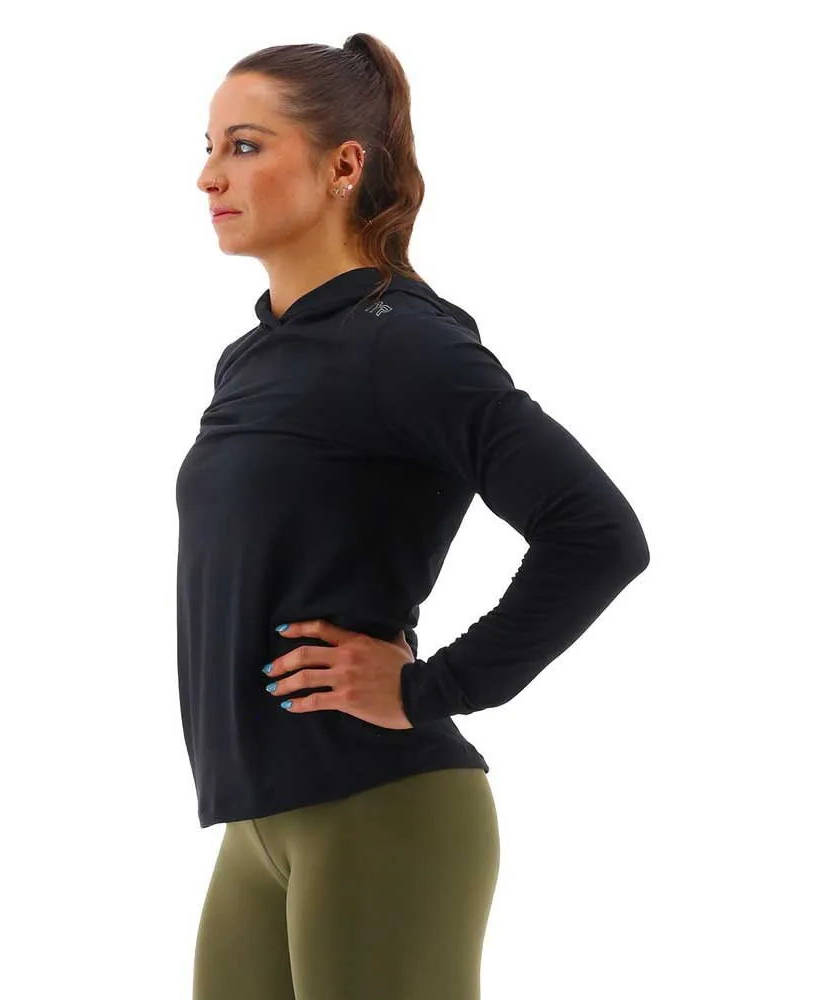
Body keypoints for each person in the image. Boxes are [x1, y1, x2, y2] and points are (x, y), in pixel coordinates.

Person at [180, 33, 650, 1000]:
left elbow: (597, 533)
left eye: (246, 146)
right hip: (258, 823)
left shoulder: (405, 346)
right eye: (211, 146)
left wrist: (433, 687)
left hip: (381, 807)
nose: (208, 175)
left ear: (343, 166)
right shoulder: (254, 357)